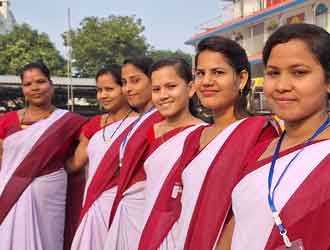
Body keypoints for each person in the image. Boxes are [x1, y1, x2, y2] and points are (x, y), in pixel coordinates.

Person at [139, 36, 279, 250]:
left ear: (241, 79)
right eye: (200, 73)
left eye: (218, 72)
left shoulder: (259, 132)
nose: (206, 81)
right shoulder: (195, 137)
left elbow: (253, 208)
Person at [224, 23, 330, 250]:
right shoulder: (259, 150)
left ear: (328, 81)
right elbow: (238, 224)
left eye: (299, 72)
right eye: (273, 73)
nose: (282, 86)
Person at [105, 58, 203, 250]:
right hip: (143, 222)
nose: (163, 95)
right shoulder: (150, 131)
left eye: (171, 86)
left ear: (191, 88)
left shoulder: (203, 135)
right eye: (156, 89)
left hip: (177, 228)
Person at [0, 62, 86, 250]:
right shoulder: (5, 121)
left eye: (40, 81)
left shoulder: (69, 121)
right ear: (23, 89)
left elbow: (91, 144)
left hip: (48, 194)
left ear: (51, 85)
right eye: (28, 84)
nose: (35, 88)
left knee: (48, 240)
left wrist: (65, 168)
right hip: (8, 191)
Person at [70, 65, 138, 250]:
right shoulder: (94, 124)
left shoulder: (143, 123)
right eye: (99, 90)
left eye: (109, 89)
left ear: (124, 88)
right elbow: (75, 164)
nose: (102, 95)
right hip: (94, 201)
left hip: (126, 205)